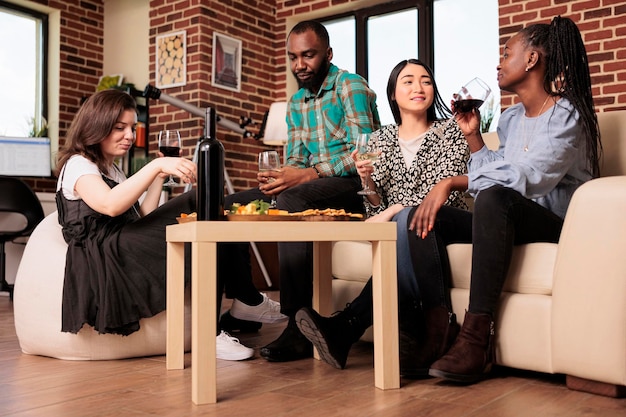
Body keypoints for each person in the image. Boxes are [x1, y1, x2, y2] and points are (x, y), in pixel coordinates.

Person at [405, 16, 600, 384]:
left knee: (495, 198)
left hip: (558, 225)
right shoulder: (510, 119)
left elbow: (530, 177)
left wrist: (454, 181)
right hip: (512, 218)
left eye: (507, 52)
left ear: (531, 60)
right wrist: (474, 137)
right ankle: (439, 329)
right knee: (425, 216)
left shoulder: (567, 114)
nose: (499, 61)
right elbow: (503, 167)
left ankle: (477, 340)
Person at [55, 89, 270, 361]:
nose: (130, 136)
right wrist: (156, 166)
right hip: (106, 255)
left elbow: (141, 215)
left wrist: (159, 177)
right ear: (97, 126)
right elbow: (109, 204)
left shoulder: (112, 169)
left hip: (123, 240)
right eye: (120, 128)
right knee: (199, 203)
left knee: (211, 209)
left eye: (132, 128)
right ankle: (215, 327)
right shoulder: (78, 164)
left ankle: (243, 300)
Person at [218, 20, 380, 363]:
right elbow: (295, 159)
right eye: (293, 57)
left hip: (355, 187)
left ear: (328, 54)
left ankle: (296, 324)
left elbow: (367, 152)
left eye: (308, 55)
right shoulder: (295, 103)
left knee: (292, 200)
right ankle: (245, 299)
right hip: (310, 186)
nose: (299, 65)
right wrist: (281, 176)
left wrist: (307, 174)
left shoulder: (350, 87)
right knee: (228, 205)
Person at [294, 59, 470, 373]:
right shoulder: (379, 140)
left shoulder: (452, 131)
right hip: (398, 231)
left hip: (443, 223)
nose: (418, 87)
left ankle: (346, 326)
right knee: (400, 232)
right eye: (408, 81)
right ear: (392, 94)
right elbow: (374, 207)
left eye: (426, 81)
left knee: (406, 224)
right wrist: (368, 181)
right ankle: (399, 333)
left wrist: (394, 209)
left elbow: (447, 197)